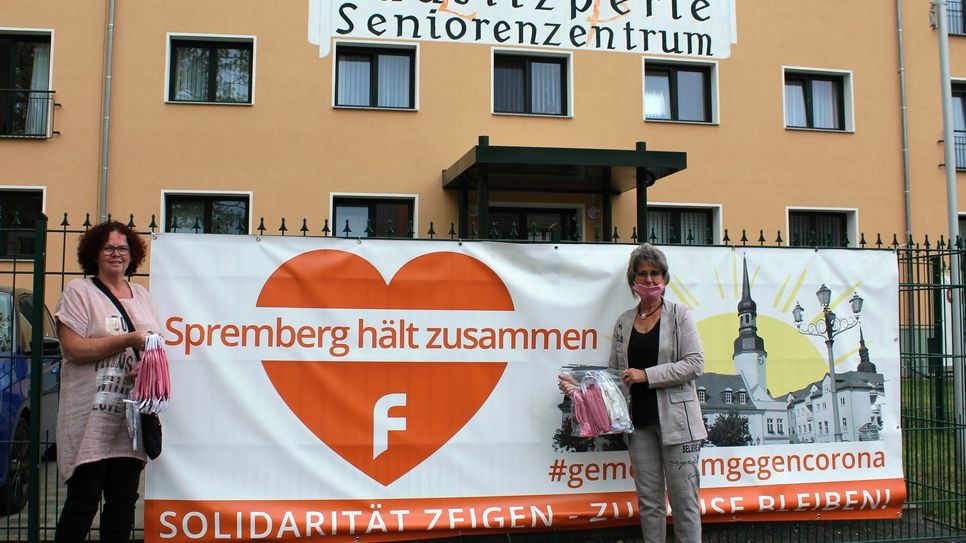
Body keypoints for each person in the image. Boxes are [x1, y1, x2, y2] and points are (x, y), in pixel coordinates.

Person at [561, 243, 706, 543]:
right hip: (637, 425)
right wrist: (580, 390)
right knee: (650, 505)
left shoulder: (680, 316)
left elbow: (695, 364)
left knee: (685, 506)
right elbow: (615, 378)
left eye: (655, 273)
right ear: (633, 282)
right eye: (643, 274)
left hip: (680, 428)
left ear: (664, 277)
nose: (650, 280)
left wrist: (647, 375)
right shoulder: (624, 322)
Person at [54, 220, 159, 543]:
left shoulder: (141, 294)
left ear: (133, 255)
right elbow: (73, 349)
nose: (117, 254)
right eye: (109, 248)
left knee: (122, 505)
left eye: (123, 248)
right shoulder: (78, 292)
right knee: (83, 503)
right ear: (95, 254)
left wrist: (148, 367)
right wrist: (127, 339)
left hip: (128, 421)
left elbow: (154, 344)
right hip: (90, 417)